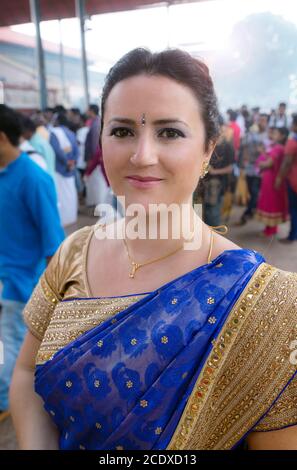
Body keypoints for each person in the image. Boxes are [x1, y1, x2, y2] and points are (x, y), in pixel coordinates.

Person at [10, 49, 297, 450]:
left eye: (170, 132)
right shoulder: (75, 250)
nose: (142, 156)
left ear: (208, 150)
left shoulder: (270, 303)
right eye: (123, 131)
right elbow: (25, 373)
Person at [0, 105, 64, 419]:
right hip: (7, 279)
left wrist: (60, 298)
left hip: (24, 283)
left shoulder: (33, 179)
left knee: (12, 343)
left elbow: (54, 244)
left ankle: (5, 401)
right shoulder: (5, 175)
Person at [255, 127, 289, 237]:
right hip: (273, 178)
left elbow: (269, 164)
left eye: (275, 133)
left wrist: (260, 164)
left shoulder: (277, 148)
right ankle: (271, 228)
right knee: (273, 202)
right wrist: (263, 154)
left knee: (270, 203)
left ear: (282, 136)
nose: (273, 135)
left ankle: (270, 230)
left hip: (271, 179)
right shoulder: (279, 147)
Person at [50, 112, 79, 227]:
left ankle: (63, 219)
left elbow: (56, 150)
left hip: (60, 169)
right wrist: (72, 162)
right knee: (70, 194)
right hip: (70, 169)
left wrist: (66, 162)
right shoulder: (71, 133)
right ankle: (71, 217)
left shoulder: (54, 134)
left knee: (61, 195)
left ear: (57, 121)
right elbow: (77, 151)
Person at [276, 114, 297, 243]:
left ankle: (292, 236)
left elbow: (286, 163)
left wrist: (279, 178)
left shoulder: (292, 142)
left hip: (294, 180)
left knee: (294, 209)